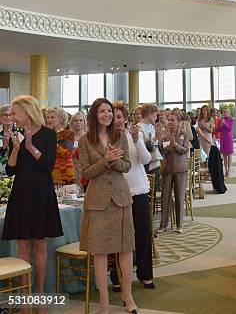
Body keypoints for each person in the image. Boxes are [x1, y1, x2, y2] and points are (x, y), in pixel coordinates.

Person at [78, 98, 137, 314]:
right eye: (102, 111)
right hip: (98, 200)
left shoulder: (119, 136)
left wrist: (113, 161)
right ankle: (104, 301)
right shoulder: (85, 141)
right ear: (95, 115)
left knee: (125, 248)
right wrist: (106, 160)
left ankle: (127, 295)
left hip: (121, 198)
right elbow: (86, 173)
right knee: (100, 252)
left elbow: (127, 166)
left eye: (109, 111)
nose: (107, 115)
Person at [1, 95, 63, 300]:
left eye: (15, 113)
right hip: (21, 193)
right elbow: (10, 171)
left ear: (27, 113)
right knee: (23, 246)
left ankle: (40, 292)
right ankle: (25, 295)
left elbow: (48, 166)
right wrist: (16, 149)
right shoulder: (16, 135)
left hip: (42, 193)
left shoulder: (48, 134)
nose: (12, 118)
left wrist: (31, 147)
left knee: (40, 244)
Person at [109, 101, 155, 291]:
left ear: (125, 118)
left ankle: (145, 275)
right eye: (113, 117)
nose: (117, 120)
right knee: (118, 237)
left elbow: (146, 159)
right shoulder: (105, 139)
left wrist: (137, 141)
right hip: (117, 193)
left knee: (143, 233)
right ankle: (118, 277)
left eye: (119, 117)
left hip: (139, 190)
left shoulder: (134, 135)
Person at [159, 111, 190, 233]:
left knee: (179, 197)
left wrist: (175, 145)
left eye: (173, 120)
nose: (170, 122)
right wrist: (165, 146)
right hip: (167, 169)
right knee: (165, 197)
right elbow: (161, 150)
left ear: (178, 122)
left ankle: (179, 224)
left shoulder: (184, 134)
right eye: (169, 120)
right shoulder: (164, 134)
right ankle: (163, 225)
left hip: (180, 170)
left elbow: (185, 150)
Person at [46, 106, 76, 185]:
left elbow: (67, 152)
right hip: (48, 171)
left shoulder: (68, 134)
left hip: (64, 172)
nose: (49, 120)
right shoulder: (46, 134)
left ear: (61, 119)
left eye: (52, 117)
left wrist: (52, 143)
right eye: (48, 117)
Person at [215, 107, 234, 177]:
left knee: (230, 155)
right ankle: (225, 170)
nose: (226, 113)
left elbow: (229, 128)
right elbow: (218, 130)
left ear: (229, 112)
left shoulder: (231, 120)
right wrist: (220, 125)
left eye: (227, 112)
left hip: (229, 139)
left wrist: (224, 123)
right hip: (223, 139)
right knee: (224, 155)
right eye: (225, 112)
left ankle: (229, 170)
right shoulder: (221, 120)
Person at [0, 104, 13, 175]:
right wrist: (4, 147)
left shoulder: (20, 131)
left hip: (16, 170)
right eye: (5, 115)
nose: (8, 117)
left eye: (10, 114)